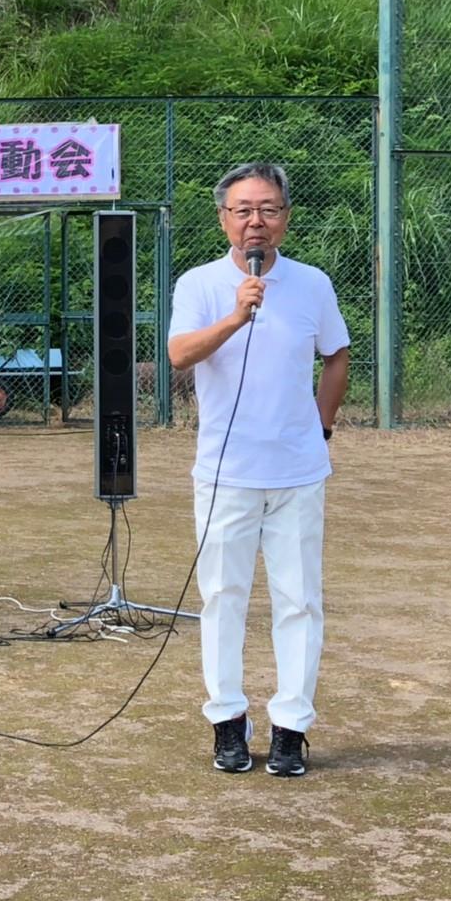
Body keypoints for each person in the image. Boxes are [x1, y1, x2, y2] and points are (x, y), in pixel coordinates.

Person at [167, 162, 350, 778]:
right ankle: (228, 722)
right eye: (243, 210)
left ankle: (292, 727)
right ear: (223, 218)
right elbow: (179, 354)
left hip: (298, 471)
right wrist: (235, 316)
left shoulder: (312, 284)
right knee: (223, 596)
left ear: (285, 220)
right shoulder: (199, 285)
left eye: (268, 209)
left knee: (299, 600)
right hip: (225, 472)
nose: (256, 222)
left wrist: (319, 429)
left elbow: (337, 355)